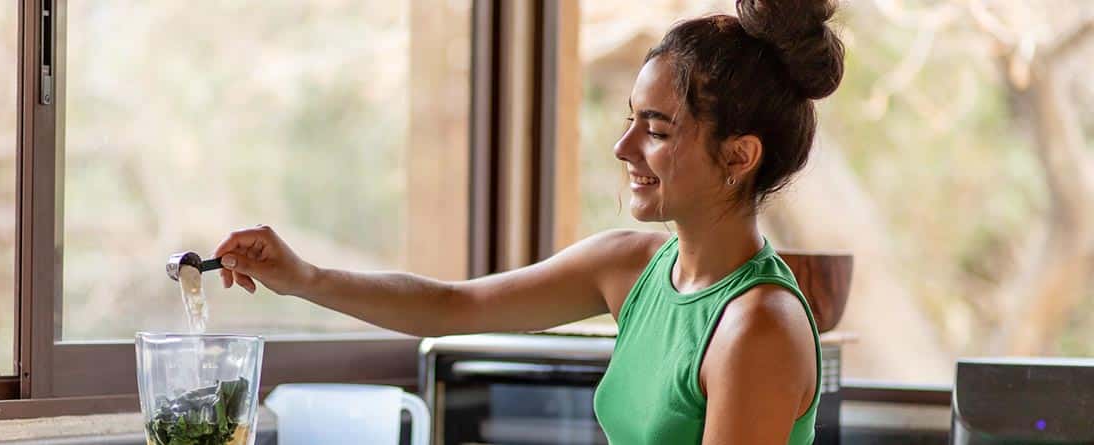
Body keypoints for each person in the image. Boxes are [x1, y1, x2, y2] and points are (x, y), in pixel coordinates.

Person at [213, 0, 844, 442]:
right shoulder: (631, 267)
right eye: (629, 119)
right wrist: (305, 278)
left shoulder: (759, 328)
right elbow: (453, 307)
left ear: (739, 156)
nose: (623, 148)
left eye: (655, 130)